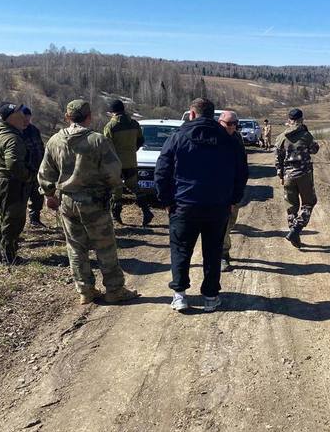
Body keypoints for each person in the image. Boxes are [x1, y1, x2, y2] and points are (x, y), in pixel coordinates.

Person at [38, 100, 139, 305]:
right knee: (105, 246)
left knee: (75, 247)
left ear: (67, 117)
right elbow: (113, 172)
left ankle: (85, 290)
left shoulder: (54, 141)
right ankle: (114, 289)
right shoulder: (97, 141)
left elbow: (45, 173)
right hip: (94, 201)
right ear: (89, 116)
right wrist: (114, 188)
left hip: (67, 201)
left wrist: (49, 194)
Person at [154, 98, 247, 313]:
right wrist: (234, 199)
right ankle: (211, 297)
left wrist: (166, 201)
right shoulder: (229, 139)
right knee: (213, 252)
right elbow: (241, 172)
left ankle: (180, 296)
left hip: (184, 205)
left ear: (192, 114)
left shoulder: (177, 137)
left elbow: (162, 171)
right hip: (218, 206)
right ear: (212, 115)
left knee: (180, 250)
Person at [0, 103, 33, 265]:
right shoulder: (12, 138)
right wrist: (29, 176)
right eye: (19, 113)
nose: (23, 116)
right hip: (13, 183)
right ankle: (10, 256)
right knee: (13, 219)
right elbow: (14, 165)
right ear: (11, 117)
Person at [103, 99, 154, 227]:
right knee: (135, 187)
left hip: (116, 163)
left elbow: (106, 147)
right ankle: (147, 211)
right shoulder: (134, 124)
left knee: (117, 190)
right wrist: (131, 151)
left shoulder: (110, 126)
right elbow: (141, 141)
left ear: (112, 112)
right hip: (131, 161)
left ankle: (116, 217)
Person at [275, 108, 319, 248]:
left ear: (289, 120)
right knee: (309, 203)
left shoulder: (281, 137)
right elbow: (314, 149)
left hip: (288, 176)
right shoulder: (305, 135)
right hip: (304, 175)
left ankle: (294, 234)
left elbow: (278, 158)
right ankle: (296, 229)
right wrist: (307, 134)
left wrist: (280, 174)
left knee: (291, 207)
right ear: (301, 120)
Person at [218, 110, 249, 272]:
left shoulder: (237, 139)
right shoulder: (213, 137)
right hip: (214, 190)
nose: (232, 127)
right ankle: (221, 254)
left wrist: (237, 194)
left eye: (235, 124)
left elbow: (242, 168)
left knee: (229, 223)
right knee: (219, 226)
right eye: (229, 124)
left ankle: (222, 252)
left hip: (231, 191)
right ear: (220, 122)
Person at [21, 106, 45, 227]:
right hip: (23, 172)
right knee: (21, 200)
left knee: (37, 197)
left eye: (28, 119)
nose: (26, 122)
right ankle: (19, 225)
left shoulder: (34, 130)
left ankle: (35, 219)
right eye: (24, 119)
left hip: (37, 169)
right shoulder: (16, 131)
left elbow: (41, 146)